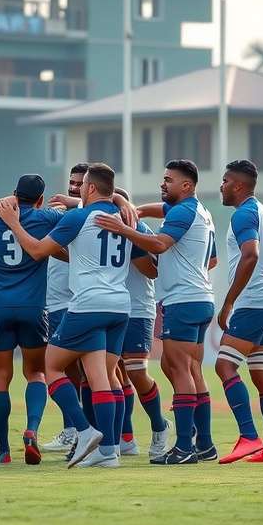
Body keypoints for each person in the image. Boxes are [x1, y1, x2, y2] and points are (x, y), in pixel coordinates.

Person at [0, 163, 150, 469]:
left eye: (82, 186)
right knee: (102, 377)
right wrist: (122, 202)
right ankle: (109, 450)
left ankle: (84, 429)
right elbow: (147, 265)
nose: (78, 191)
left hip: (88, 304)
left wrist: (14, 224)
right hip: (120, 306)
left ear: (91, 188)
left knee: (52, 367)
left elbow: (37, 251)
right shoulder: (125, 219)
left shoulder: (78, 217)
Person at [99, 159, 217, 465]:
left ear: (186, 185)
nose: (163, 184)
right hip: (200, 297)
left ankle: (184, 447)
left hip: (183, 300)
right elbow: (212, 260)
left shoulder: (182, 211)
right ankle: (204, 443)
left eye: (168, 180)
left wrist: (124, 229)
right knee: (190, 370)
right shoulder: (200, 212)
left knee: (178, 369)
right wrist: (133, 209)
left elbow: (160, 245)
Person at [0, 174, 62, 464]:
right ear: (40, 199)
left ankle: (3, 451)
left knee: (1, 376)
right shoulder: (47, 218)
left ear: (13, 193)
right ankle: (31, 430)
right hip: (33, 308)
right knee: (36, 373)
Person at [215, 160, 263, 464]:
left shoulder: (243, 213)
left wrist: (229, 301)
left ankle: (249, 436)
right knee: (262, 375)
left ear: (239, 186)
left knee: (224, 366)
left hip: (254, 301)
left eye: (225, 181)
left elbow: (251, 255)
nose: (221, 186)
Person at [112, 188, 171, 460]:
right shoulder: (97, 225)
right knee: (112, 372)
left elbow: (152, 270)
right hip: (109, 307)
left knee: (135, 372)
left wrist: (129, 237)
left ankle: (159, 426)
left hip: (137, 308)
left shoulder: (140, 229)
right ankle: (125, 437)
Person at [41, 163, 88, 453]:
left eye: (80, 184)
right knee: (70, 371)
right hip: (58, 301)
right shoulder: (64, 214)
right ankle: (74, 429)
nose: (73, 187)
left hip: (78, 301)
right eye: (72, 182)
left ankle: (94, 431)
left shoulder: (86, 216)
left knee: (90, 371)